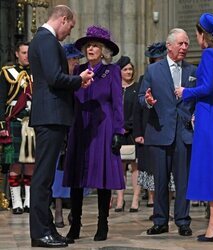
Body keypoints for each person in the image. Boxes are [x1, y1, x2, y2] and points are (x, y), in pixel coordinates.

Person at [28, 5, 94, 248]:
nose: (69, 33)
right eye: (70, 27)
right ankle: (39, 233)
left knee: (45, 177)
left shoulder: (44, 40)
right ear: (63, 19)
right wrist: (80, 79)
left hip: (51, 115)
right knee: (43, 177)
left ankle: (48, 229)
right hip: (50, 115)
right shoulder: (46, 40)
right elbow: (55, 78)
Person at [175, 13, 213, 242]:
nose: (196, 38)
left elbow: (208, 87)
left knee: (210, 168)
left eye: (197, 34)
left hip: (209, 116)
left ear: (203, 35)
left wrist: (185, 92)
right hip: (212, 114)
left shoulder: (210, 54)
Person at [63, 25, 125, 242]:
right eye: (88, 45)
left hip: (103, 127)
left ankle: (102, 223)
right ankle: (75, 225)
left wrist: (119, 130)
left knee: (102, 177)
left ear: (103, 51)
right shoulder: (77, 70)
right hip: (79, 127)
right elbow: (70, 100)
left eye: (95, 46)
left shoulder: (112, 71)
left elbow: (118, 103)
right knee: (76, 178)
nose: (90, 49)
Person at [138, 29, 196, 236]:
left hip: (183, 133)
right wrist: (147, 101)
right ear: (169, 46)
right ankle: (160, 221)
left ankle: (183, 221)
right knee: (160, 181)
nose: (184, 48)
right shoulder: (153, 71)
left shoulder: (193, 71)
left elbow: (197, 99)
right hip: (159, 132)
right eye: (180, 44)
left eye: (187, 44)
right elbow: (140, 99)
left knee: (183, 182)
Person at [52, 43, 84, 228]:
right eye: (72, 59)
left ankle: (74, 210)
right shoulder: (61, 79)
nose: (75, 63)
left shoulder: (82, 79)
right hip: (63, 131)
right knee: (59, 174)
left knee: (78, 173)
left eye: (76, 60)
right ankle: (57, 212)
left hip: (79, 129)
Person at [0, 41, 34, 215]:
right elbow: (1, 99)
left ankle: (28, 201)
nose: (26, 55)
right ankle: (16, 201)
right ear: (16, 54)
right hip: (14, 120)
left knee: (30, 162)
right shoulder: (7, 73)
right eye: (23, 52)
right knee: (15, 162)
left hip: (32, 121)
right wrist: (1, 124)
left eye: (29, 52)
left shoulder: (37, 73)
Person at [134, 42, 168, 215]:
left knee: (167, 171)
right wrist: (138, 132)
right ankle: (155, 204)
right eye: (156, 59)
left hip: (167, 126)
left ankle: (166, 207)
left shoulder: (171, 75)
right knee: (151, 168)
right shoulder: (145, 78)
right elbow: (138, 108)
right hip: (150, 127)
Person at [114, 56, 140, 213]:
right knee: (119, 166)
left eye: (130, 69)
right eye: (125, 69)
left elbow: (138, 110)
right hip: (118, 131)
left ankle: (135, 199)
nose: (129, 72)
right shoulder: (115, 88)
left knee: (135, 166)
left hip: (133, 131)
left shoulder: (137, 87)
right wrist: (119, 127)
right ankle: (119, 199)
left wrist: (128, 126)